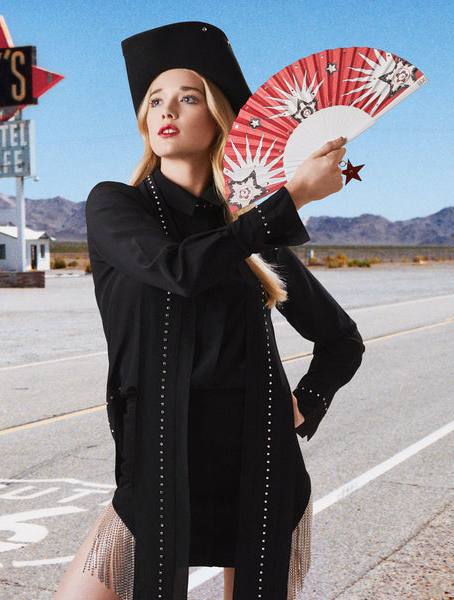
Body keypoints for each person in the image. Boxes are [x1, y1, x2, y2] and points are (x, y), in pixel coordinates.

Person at [55, 22, 364, 600]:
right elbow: (178, 268)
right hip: (158, 465)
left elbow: (342, 340)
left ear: (218, 116)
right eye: (155, 100)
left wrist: (306, 402)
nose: (166, 109)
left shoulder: (251, 235)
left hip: (259, 466)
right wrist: (291, 197)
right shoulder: (114, 205)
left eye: (187, 97)